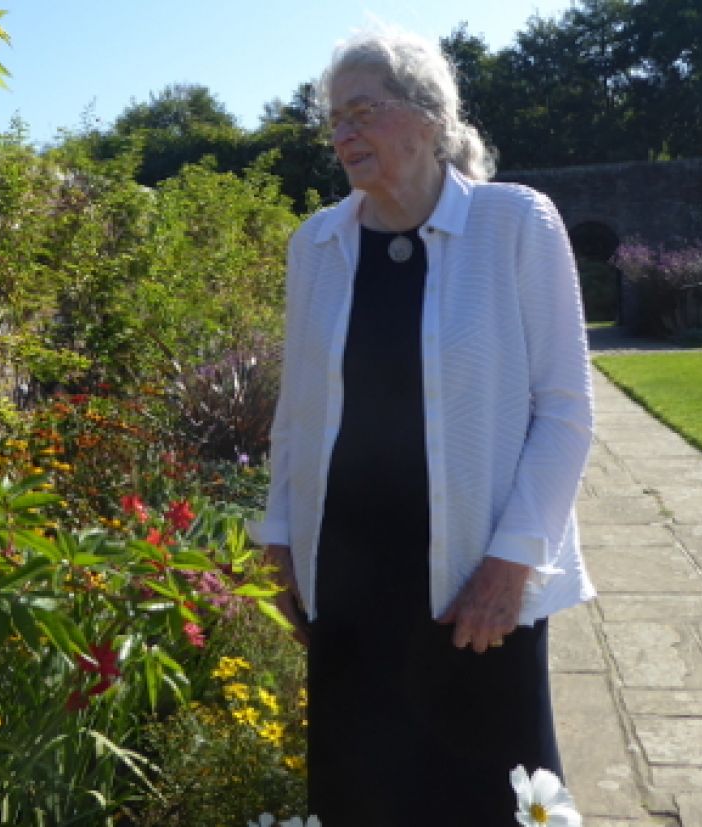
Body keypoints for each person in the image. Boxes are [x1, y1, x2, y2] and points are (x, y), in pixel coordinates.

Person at [248, 24, 595, 825]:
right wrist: (278, 541)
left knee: (489, 796)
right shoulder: (317, 245)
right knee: (362, 793)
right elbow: (294, 415)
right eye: (334, 117)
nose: (342, 132)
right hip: (352, 582)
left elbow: (567, 410)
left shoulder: (515, 226)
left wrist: (512, 565)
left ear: (431, 117)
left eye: (363, 110)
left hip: (475, 588)